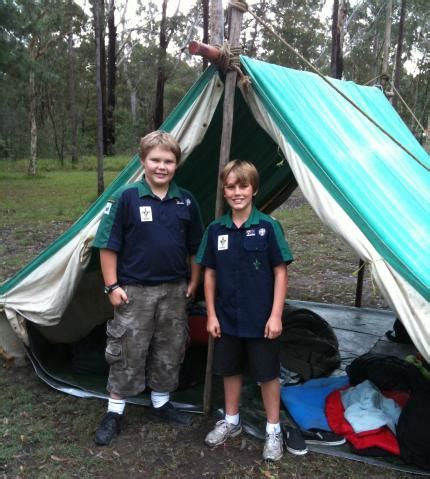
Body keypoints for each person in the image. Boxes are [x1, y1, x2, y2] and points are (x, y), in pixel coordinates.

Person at [93, 130, 204, 446]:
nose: (161, 166)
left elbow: (196, 247)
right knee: (127, 348)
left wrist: (194, 281)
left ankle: (160, 403)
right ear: (143, 161)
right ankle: (115, 411)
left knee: (170, 347)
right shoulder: (126, 197)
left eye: (168, 161)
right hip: (134, 291)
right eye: (155, 159)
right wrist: (111, 285)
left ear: (176, 165)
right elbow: (107, 245)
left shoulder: (186, 200)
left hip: (174, 290)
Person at [196, 160, 293, 461]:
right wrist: (211, 314)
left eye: (243, 186)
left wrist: (276, 315)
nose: (237, 192)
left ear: (254, 189)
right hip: (226, 317)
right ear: (224, 190)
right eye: (231, 186)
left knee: (267, 374)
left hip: (261, 318)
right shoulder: (215, 230)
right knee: (230, 368)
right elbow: (209, 274)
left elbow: (280, 272)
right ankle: (232, 420)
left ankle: (273, 429)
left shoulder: (268, 227)